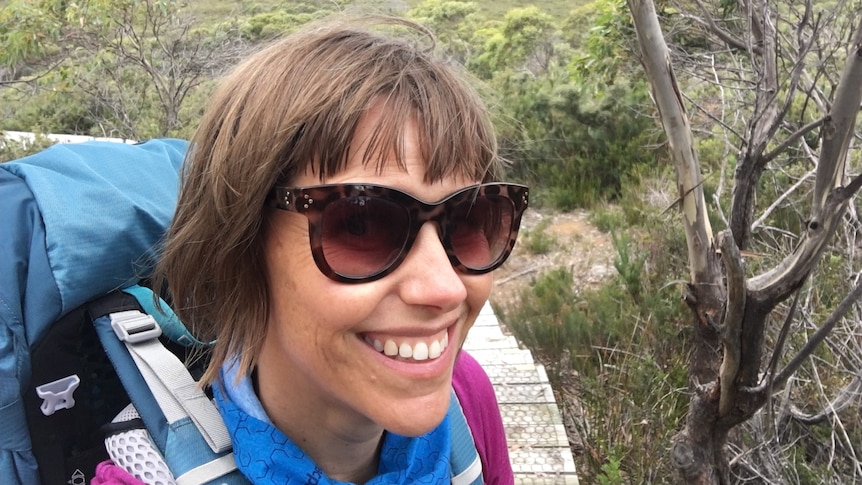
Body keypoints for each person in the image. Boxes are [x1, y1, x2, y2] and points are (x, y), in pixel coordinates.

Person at [153, 16, 528, 484]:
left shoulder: (466, 398)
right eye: (361, 223)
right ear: (241, 251)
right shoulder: (146, 471)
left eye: (471, 218)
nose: (444, 288)